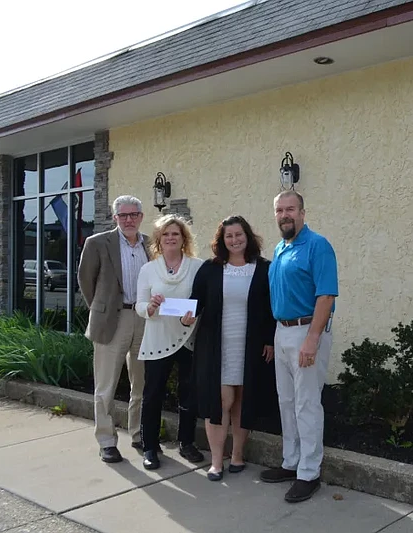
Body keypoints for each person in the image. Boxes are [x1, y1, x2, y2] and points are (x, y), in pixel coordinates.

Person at [260, 190, 338, 503]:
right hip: (282, 332)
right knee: (286, 401)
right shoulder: (281, 247)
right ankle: (290, 462)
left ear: (303, 212)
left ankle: (309, 472)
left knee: (306, 403)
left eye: (290, 209)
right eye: (279, 210)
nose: (284, 215)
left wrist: (312, 338)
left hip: (307, 331)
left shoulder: (317, 245)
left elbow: (326, 296)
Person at [189, 215, 279, 481]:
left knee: (243, 399)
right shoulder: (210, 268)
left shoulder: (264, 268)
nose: (234, 240)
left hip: (251, 346)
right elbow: (196, 302)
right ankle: (217, 461)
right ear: (222, 240)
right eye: (229, 236)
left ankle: (237, 454)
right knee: (221, 401)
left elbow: (273, 308)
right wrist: (186, 315)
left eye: (239, 235)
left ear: (247, 236)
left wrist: (271, 340)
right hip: (217, 345)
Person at [77, 195, 149, 463]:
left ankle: (139, 433)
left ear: (141, 217)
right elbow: (86, 280)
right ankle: (106, 440)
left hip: (143, 320)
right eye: (123, 215)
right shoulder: (98, 243)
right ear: (115, 218)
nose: (129, 220)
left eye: (134, 214)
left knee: (141, 382)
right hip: (111, 321)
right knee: (106, 386)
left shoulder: (150, 244)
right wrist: (101, 309)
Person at [134, 214, 205, 470]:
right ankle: (150, 447)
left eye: (175, 233)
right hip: (157, 337)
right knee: (152, 394)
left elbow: (202, 302)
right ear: (158, 240)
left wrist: (193, 317)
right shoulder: (148, 269)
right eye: (166, 234)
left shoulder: (197, 267)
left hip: (188, 337)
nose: (171, 238)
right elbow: (139, 305)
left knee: (188, 393)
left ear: (183, 238)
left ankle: (187, 443)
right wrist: (150, 307)